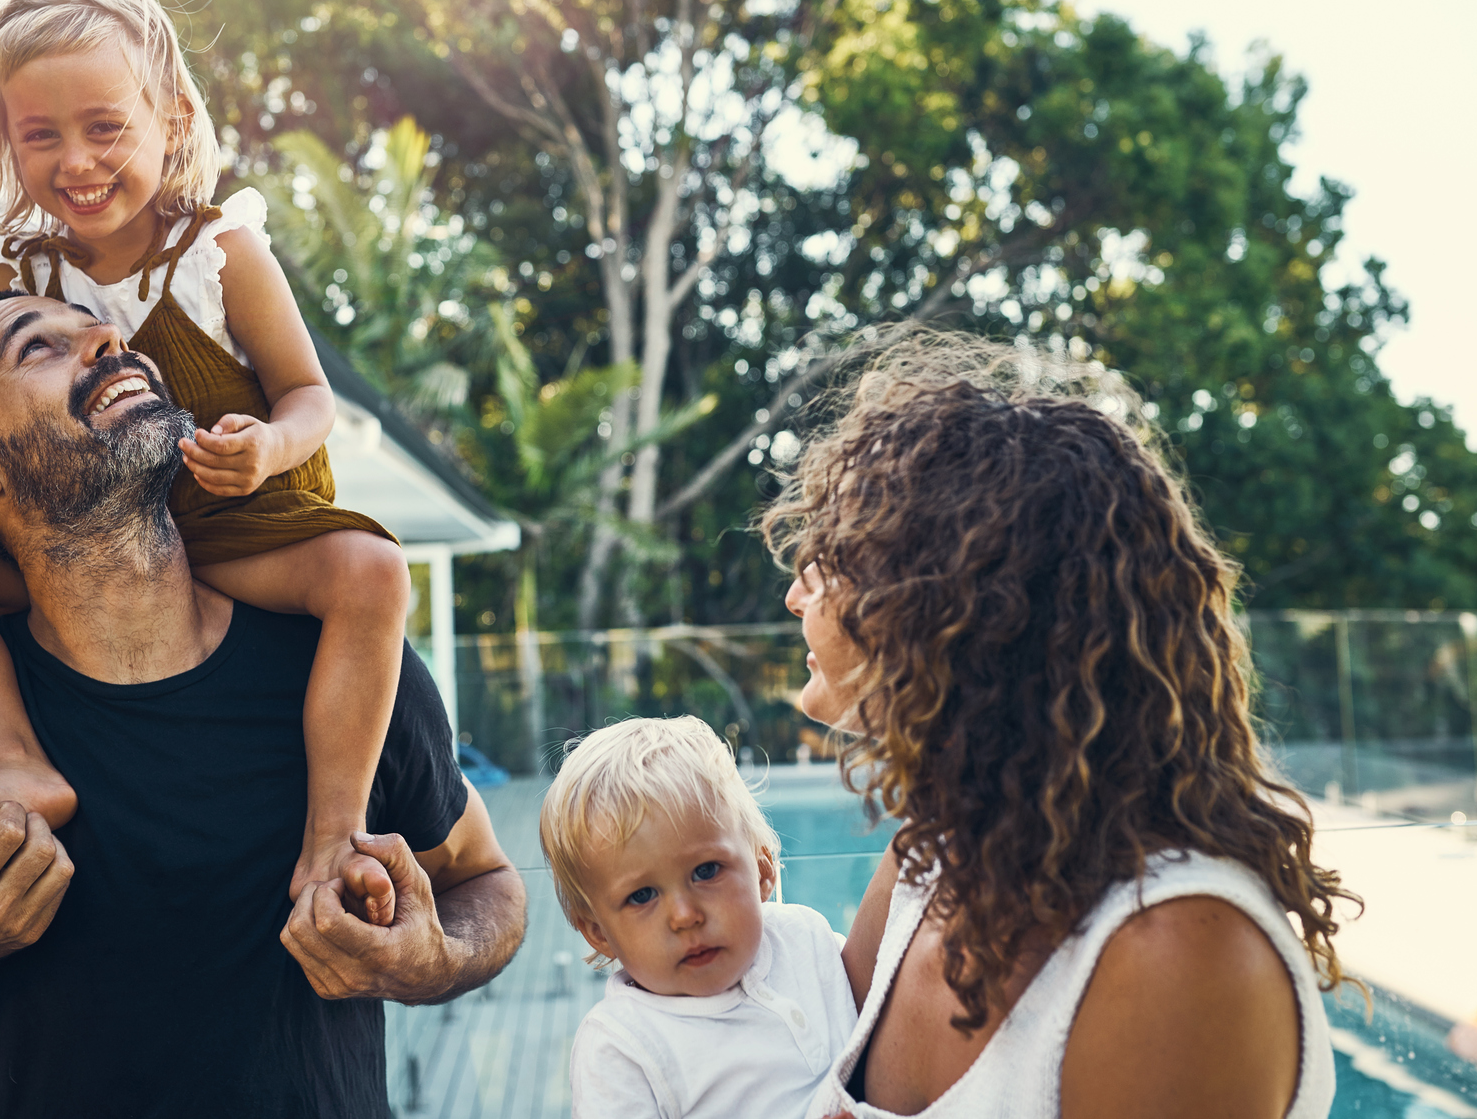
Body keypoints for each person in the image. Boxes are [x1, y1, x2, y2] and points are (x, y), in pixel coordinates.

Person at [0, 291, 527, 1116]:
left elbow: (486, 879)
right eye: (38, 346)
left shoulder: (340, 660)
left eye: (98, 324)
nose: (111, 337)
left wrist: (436, 960)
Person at [0, 0, 409, 921]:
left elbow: (310, 396)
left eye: (105, 126)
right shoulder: (19, 269)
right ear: (6, 140)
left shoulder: (219, 253)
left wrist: (268, 449)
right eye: (40, 136)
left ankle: (333, 829)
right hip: (90, 555)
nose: (74, 161)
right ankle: (11, 755)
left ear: (170, 119)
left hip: (234, 536)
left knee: (373, 573)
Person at [769, 335, 1357, 1119]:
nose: (797, 597)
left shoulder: (1176, 950)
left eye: (835, 561)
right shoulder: (938, 855)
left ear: (952, 612)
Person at [542, 715, 857, 1118]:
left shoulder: (807, 937)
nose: (684, 916)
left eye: (706, 871)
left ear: (763, 870)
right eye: (642, 895)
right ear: (598, 932)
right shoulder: (620, 1046)